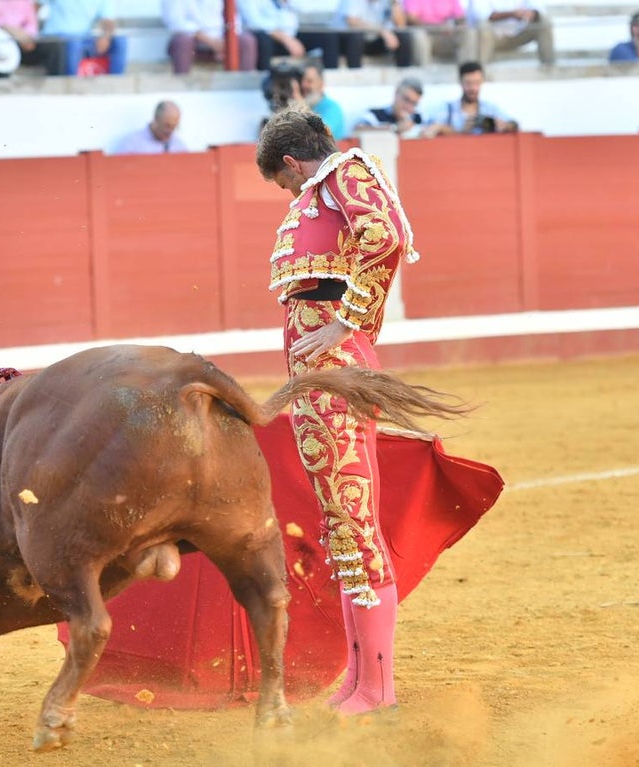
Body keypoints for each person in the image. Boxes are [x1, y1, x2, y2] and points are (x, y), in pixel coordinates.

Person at [255, 108, 420, 716]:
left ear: (294, 163)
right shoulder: (328, 187)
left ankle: (378, 689)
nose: (290, 194)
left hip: (331, 369)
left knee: (354, 523)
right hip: (318, 374)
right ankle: (360, 680)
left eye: (285, 183)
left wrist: (347, 325)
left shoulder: (344, 174)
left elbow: (387, 236)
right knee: (342, 525)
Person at [0, 0, 64, 75]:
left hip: (19, 43)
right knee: (0, 48)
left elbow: (31, 24)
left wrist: (25, 36)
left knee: (53, 46)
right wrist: (7, 29)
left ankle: (56, 88)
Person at [162, 0, 258, 74]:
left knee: (247, 40)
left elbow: (234, 20)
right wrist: (211, 42)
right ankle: (182, 85)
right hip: (195, 38)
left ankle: (244, 84)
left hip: (222, 38)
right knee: (182, 42)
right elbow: (176, 22)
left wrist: (225, 42)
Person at [37, 0, 128, 76]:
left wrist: (105, 37)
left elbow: (108, 20)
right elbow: (35, 6)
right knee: (73, 42)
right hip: (57, 38)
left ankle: (115, 83)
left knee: (120, 41)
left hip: (84, 39)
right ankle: (70, 87)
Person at [427, 60, 517, 134]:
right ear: (460, 82)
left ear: (482, 82)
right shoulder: (447, 109)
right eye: (468, 83)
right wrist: (461, 132)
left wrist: (503, 125)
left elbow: (514, 124)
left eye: (477, 83)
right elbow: (430, 131)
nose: (473, 88)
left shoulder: (490, 108)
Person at [466, 0, 555, 66]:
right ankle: (480, 71)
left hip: (520, 33)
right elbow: (483, 15)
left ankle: (549, 66)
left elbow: (539, 9)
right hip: (494, 37)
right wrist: (513, 14)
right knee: (483, 26)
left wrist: (531, 13)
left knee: (544, 20)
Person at [332, 0, 415, 68]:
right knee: (356, 36)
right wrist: (382, 31)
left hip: (381, 41)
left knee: (403, 36)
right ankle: (355, 72)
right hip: (358, 42)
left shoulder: (389, 2)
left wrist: (394, 3)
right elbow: (352, 21)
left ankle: (404, 71)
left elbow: (401, 25)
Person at [354, 77, 437, 138]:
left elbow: (443, 129)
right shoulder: (375, 115)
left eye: (414, 103)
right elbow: (357, 131)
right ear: (396, 93)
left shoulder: (421, 118)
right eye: (406, 99)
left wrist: (433, 130)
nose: (408, 106)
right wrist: (394, 129)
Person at [401, 0, 478, 65]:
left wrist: (454, 25)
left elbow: (460, 18)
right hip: (427, 35)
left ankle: (467, 70)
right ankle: (424, 72)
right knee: (418, 35)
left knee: (468, 32)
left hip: (448, 36)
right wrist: (438, 27)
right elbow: (411, 18)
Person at [239, 0, 306, 71]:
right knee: (264, 39)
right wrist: (285, 39)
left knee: (316, 35)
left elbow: (291, 23)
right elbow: (254, 23)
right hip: (262, 36)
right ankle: (265, 77)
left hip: (287, 36)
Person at [113, 100, 189, 154]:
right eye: (167, 126)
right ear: (156, 119)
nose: (170, 131)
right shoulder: (131, 145)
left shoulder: (179, 146)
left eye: (174, 127)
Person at [301, 60, 347, 139]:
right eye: (301, 81)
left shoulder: (332, 108)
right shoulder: (292, 104)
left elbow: (321, 134)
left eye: (309, 81)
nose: (303, 85)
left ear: (321, 84)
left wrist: (300, 106)